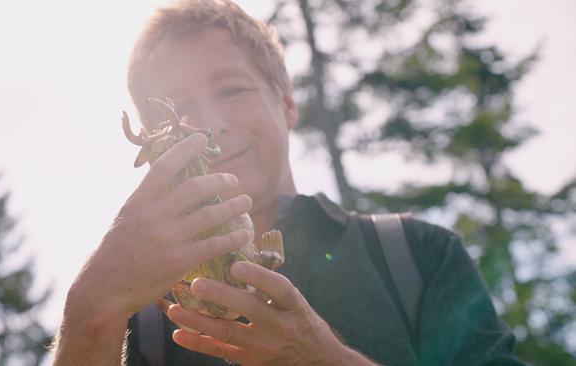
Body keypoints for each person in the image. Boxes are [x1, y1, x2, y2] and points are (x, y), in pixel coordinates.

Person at [51, 1, 524, 365]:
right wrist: (89, 310)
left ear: (287, 103)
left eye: (232, 90)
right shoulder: (142, 324)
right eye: (176, 111)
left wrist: (325, 359)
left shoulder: (419, 255)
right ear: (150, 145)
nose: (208, 125)